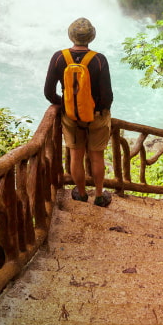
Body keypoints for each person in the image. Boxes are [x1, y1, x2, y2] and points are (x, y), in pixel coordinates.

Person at [44, 17, 114, 207]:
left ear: (71, 36)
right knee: (97, 156)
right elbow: (107, 95)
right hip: (96, 116)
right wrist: (99, 110)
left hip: (71, 116)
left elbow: (49, 92)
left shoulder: (59, 57)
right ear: (91, 37)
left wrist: (66, 105)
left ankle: (81, 194)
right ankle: (99, 196)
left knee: (76, 155)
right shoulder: (99, 60)